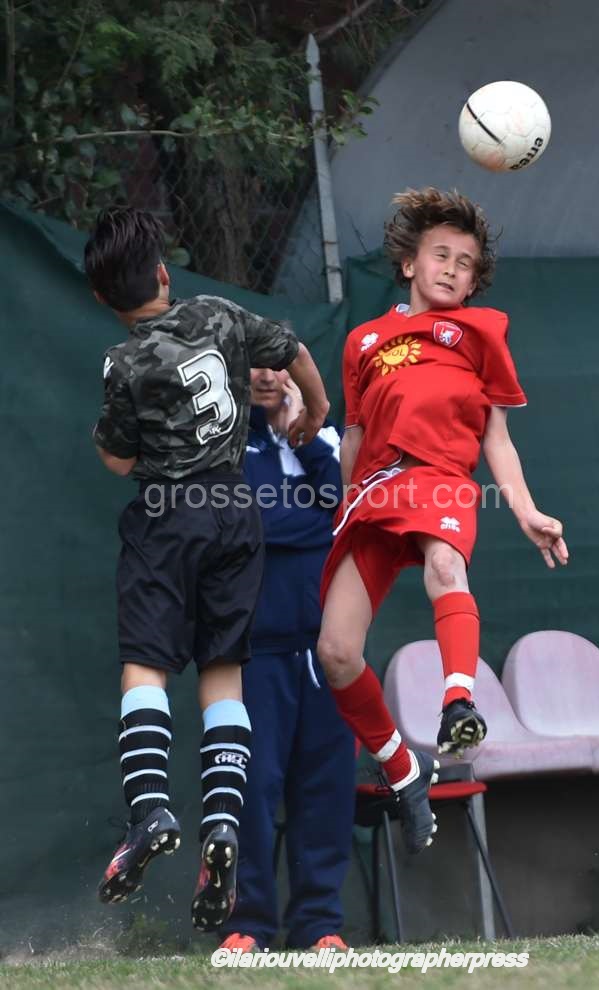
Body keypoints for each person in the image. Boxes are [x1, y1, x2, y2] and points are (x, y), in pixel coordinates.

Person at [85, 206, 329, 932]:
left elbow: (118, 459)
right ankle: (221, 821)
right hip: (235, 514)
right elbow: (292, 351)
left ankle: (150, 811)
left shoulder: (123, 362)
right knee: (223, 672)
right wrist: (315, 408)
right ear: (164, 274)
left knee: (145, 666)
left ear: (103, 298)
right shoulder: (220, 314)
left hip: (167, 519)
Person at [316, 188, 569, 855]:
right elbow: (353, 434)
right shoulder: (363, 341)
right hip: (374, 492)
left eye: (465, 263)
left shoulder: (482, 333)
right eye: (441, 255)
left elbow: (497, 438)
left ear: (474, 280)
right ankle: (402, 769)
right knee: (335, 652)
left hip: (441, 479)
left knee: (445, 566)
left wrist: (524, 508)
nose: (452, 269)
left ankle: (458, 703)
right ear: (409, 264)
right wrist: (342, 505)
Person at [217, 368, 354, 953]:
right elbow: (246, 525)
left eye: (279, 366)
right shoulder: (226, 441)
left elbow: (348, 509)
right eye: (254, 366)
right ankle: (246, 924)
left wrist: (305, 432)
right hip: (255, 649)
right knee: (250, 787)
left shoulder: (328, 438)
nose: (267, 377)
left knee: (325, 790)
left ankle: (319, 924)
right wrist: (318, 523)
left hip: (330, 650)